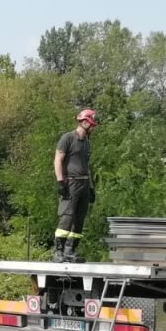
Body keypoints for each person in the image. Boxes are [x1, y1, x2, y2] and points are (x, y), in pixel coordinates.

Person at [52, 107, 98, 262]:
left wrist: (90, 187)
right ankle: (58, 251)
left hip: (84, 184)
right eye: (92, 124)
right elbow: (58, 159)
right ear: (85, 122)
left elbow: (87, 166)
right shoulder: (68, 138)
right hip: (71, 183)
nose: (93, 128)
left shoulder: (86, 143)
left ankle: (70, 250)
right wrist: (60, 181)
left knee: (79, 219)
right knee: (67, 217)